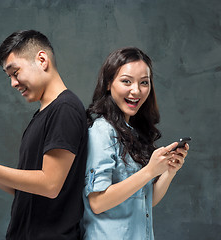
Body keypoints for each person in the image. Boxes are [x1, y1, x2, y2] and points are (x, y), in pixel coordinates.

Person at [0, 30, 88, 240]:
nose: (13, 83)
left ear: (42, 60)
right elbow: (25, 189)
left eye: (15, 72)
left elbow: (50, 185)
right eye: (9, 76)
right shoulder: (42, 114)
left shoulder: (65, 109)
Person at [81, 47, 189, 239]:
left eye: (144, 83)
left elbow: (147, 200)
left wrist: (168, 171)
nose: (136, 91)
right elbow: (97, 203)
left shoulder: (135, 132)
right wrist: (149, 171)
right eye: (126, 81)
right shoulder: (102, 131)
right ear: (108, 83)